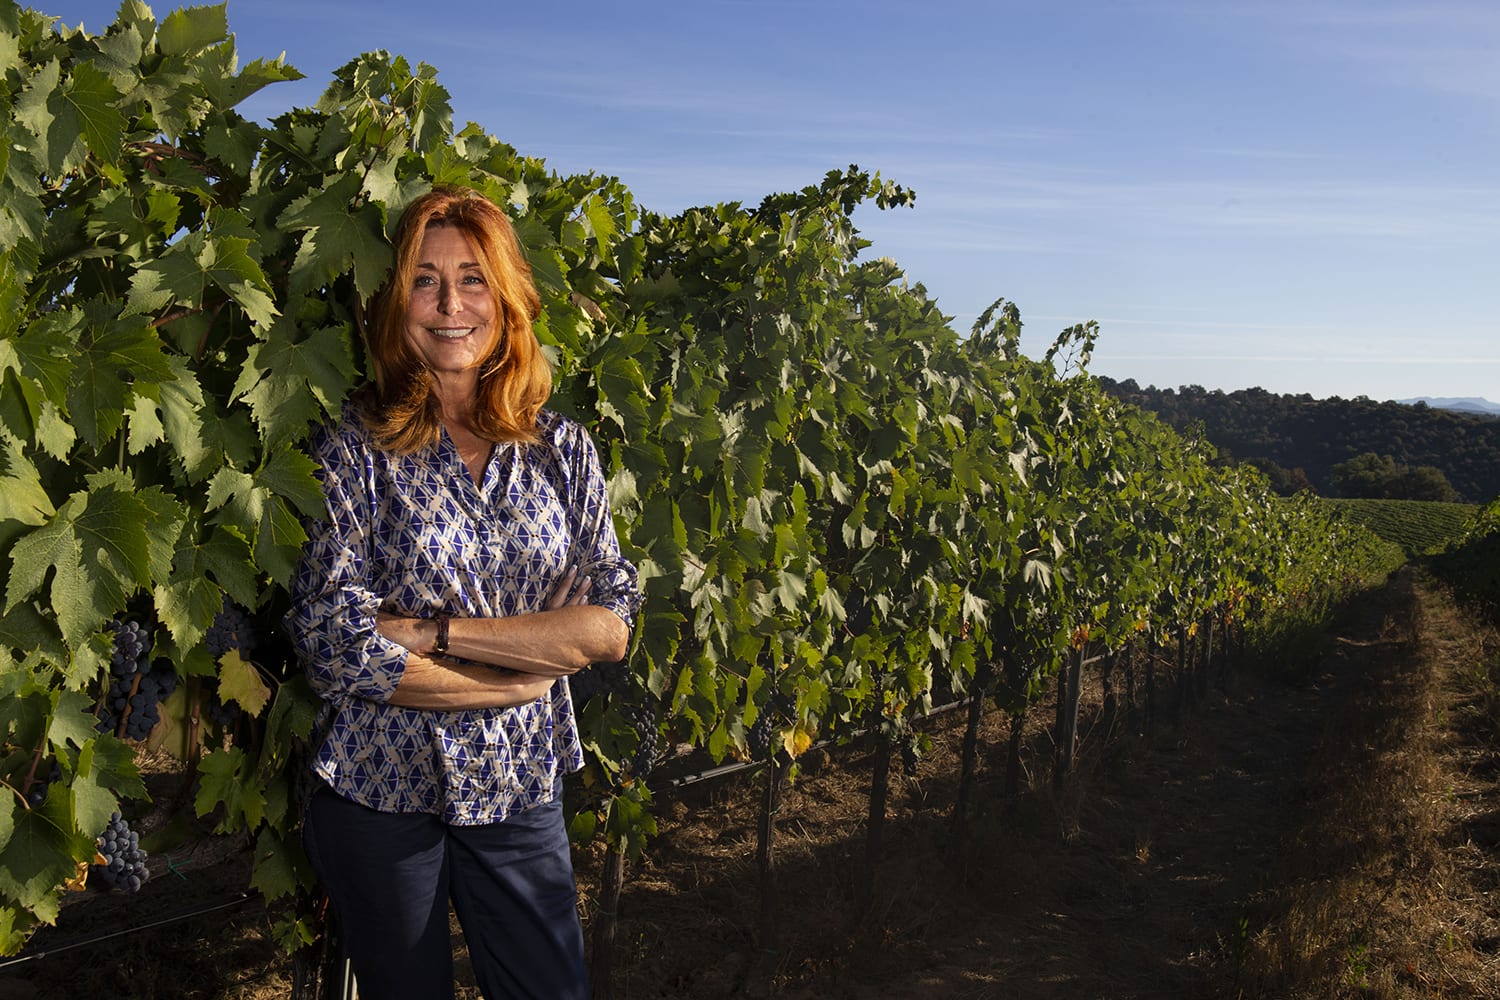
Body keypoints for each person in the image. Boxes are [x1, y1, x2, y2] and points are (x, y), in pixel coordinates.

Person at [286, 185, 642, 1000]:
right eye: (425, 280)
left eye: (473, 279)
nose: (450, 305)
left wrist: (433, 634)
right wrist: (520, 678)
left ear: (506, 298)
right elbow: (336, 642)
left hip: (519, 787)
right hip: (378, 794)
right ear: (396, 302)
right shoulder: (353, 450)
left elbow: (609, 624)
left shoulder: (562, 451)